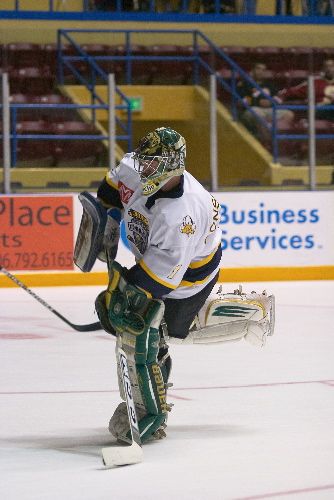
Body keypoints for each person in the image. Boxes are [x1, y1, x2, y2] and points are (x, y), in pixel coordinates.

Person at [74, 126, 275, 445]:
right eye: (145, 160)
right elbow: (109, 192)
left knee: (147, 327)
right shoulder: (134, 165)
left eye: (154, 163)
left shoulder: (183, 215)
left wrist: (120, 296)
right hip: (158, 262)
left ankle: (149, 416)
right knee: (153, 331)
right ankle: (153, 389)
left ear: (174, 165)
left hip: (188, 280)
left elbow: (155, 284)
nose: (145, 168)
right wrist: (109, 223)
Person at [237, 62, 294, 140]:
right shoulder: (244, 84)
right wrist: (258, 102)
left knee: (289, 114)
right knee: (259, 114)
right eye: (258, 69)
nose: (260, 71)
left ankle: (277, 140)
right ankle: (268, 141)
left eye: (263, 70)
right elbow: (242, 100)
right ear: (252, 70)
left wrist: (271, 102)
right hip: (252, 109)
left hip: (269, 109)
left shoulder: (269, 85)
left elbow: (278, 98)